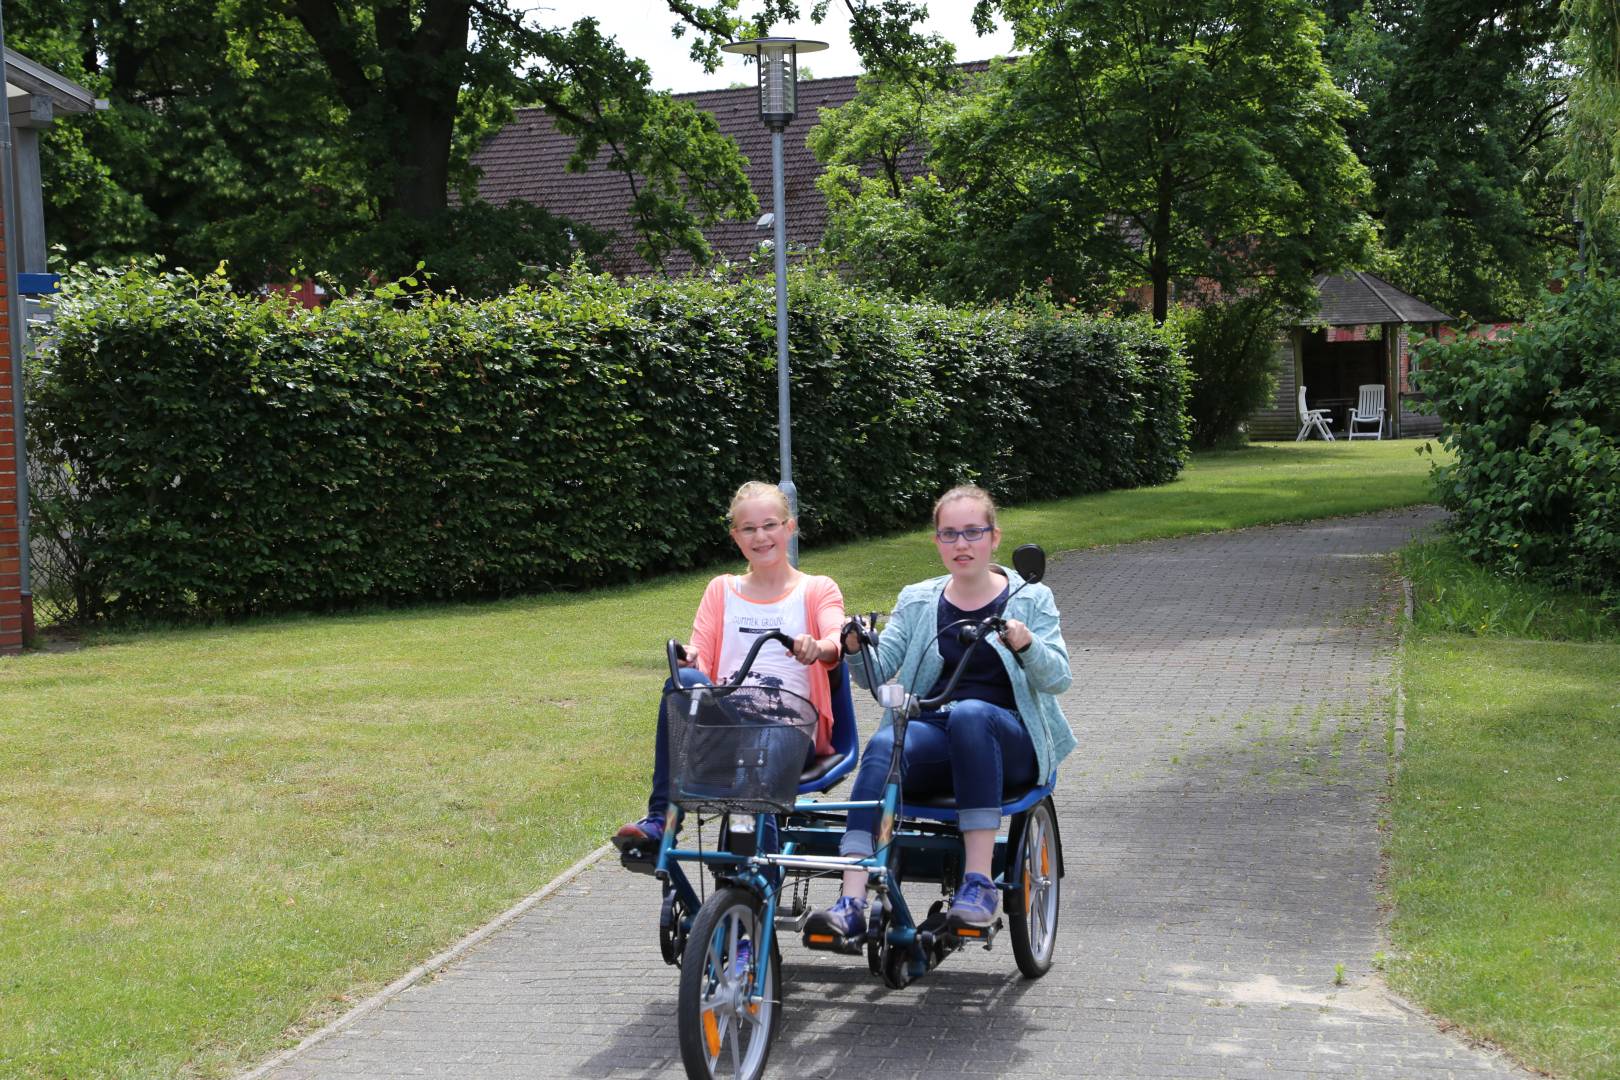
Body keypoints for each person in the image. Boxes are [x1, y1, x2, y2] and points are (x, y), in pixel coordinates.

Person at [805, 484, 1074, 937]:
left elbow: (1057, 678)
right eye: (949, 534)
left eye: (973, 532)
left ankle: (979, 884)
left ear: (994, 537)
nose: (962, 544)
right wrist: (854, 647)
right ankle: (851, 900)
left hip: (1011, 743)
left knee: (971, 712)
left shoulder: (1030, 597)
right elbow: (877, 672)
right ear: (936, 542)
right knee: (887, 741)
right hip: (937, 732)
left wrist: (1026, 643)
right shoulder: (918, 598)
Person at [613, 481, 847, 852]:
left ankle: (757, 882)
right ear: (735, 536)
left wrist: (817, 646)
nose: (760, 536)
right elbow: (701, 656)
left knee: (755, 764)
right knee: (684, 680)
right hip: (729, 717)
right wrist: (690, 657)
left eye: (770, 525)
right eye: (749, 529)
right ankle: (661, 820)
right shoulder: (721, 590)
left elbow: (837, 639)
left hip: (789, 723)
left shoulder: (817, 589)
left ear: (790, 527)